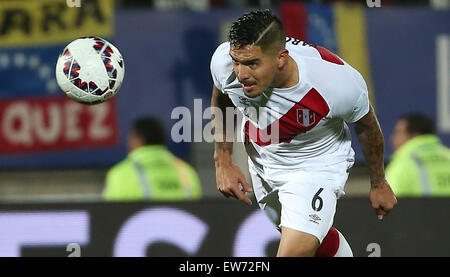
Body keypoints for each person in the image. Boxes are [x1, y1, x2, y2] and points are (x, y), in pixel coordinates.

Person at [210, 10, 397, 257]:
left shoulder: (335, 84)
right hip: (264, 163)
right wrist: (223, 159)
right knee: (312, 241)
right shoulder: (224, 63)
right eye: (237, 61)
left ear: (280, 58)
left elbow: (367, 126)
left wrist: (379, 181)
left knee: (295, 250)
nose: (242, 74)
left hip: (316, 166)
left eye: (252, 63)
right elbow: (222, 97)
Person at [102, 117, 202, 201]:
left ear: (138, 140)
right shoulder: (186, 171)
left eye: (130, 138)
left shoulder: (120, 174)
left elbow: (110, 217)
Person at [386, 113, 450, 197]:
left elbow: (387, 203)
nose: (392, 139)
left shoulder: (402, 164)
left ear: (414, 135)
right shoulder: (448, 155)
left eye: (398, 132)